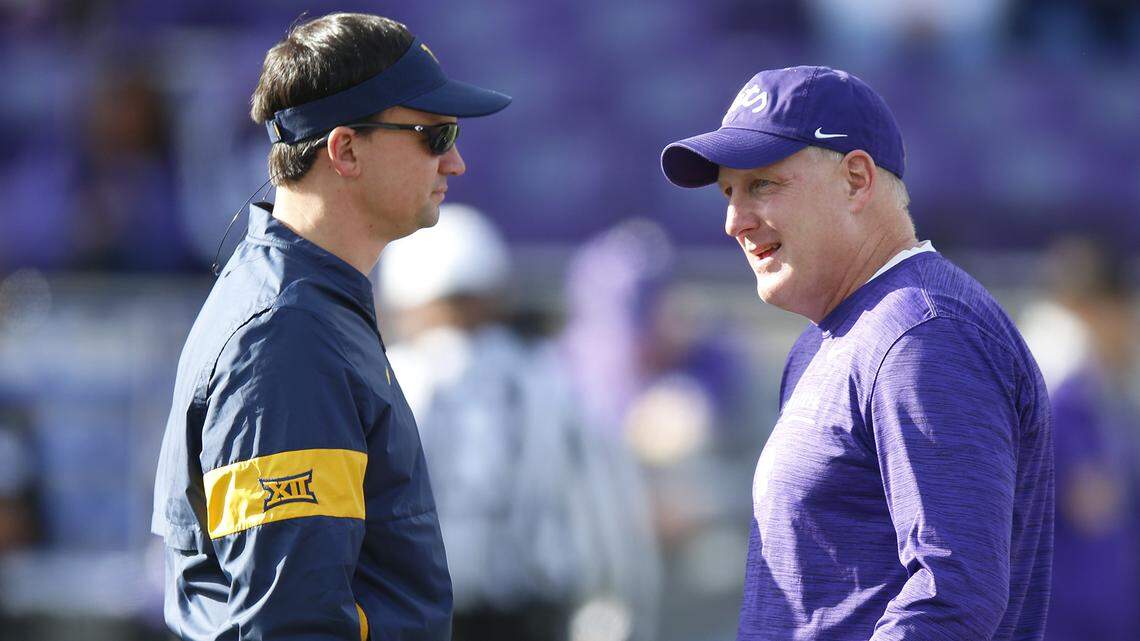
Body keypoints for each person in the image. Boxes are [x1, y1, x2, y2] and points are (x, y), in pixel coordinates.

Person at [660, 66, 1053, 640]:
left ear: (856, 179)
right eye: (728, 192)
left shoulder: (924, 335)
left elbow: (953, 596)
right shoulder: (838, 338)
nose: (733, 222)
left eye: (761, 185)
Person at [150, 13, 510, 641]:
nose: (455, 162)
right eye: (435, 134)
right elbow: (291, 624)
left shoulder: (305, 307)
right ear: (344, 149)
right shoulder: (286, 334)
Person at [377, 204, 660, 641]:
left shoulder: (388, 381)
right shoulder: (552, 380)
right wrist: (615, 609)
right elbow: (611, 525)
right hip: (534, 618)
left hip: (417, 618)